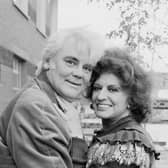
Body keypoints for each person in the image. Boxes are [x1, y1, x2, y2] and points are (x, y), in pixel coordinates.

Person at [0, 28, 105, 168]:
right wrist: (77, 139)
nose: (79, 74)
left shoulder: (50, 99)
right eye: (71, 62)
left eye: (87, 68)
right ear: (48, 61)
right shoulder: (38, 108)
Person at [86, 48, 160, 168]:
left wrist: (76, 139)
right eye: (97, 88)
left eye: (112, 89)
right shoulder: (113, 132)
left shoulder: (128, 141)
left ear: (131, 97)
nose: (100, 96)